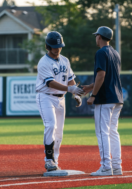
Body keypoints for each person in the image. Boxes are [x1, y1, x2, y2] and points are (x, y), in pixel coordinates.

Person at [36, 31, 84, 172]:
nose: (57, 49)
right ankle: (49, 160)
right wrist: (71, 90)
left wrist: (76, 94)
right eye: (54, 47)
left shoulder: (65, 60)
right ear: (48, 47)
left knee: (59, 132)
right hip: (45, 96)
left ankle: (55, 159)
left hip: (60, 99)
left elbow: (70, 79)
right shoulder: (43, 62)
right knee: (50, 125)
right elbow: (50, 83)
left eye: (59, 46)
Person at [82, 26, 124, 176]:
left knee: (102, 132)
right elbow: (107, 78)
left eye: (96, 36)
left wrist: (93, 95)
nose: (96, 38)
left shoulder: (101, 52)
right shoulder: (115, 53)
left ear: (99, 37)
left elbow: (101, 75)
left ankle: (106, 166)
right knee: (113, 132)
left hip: (105, 99)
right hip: (117, 98)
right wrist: (89, 87)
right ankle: (117, 166)